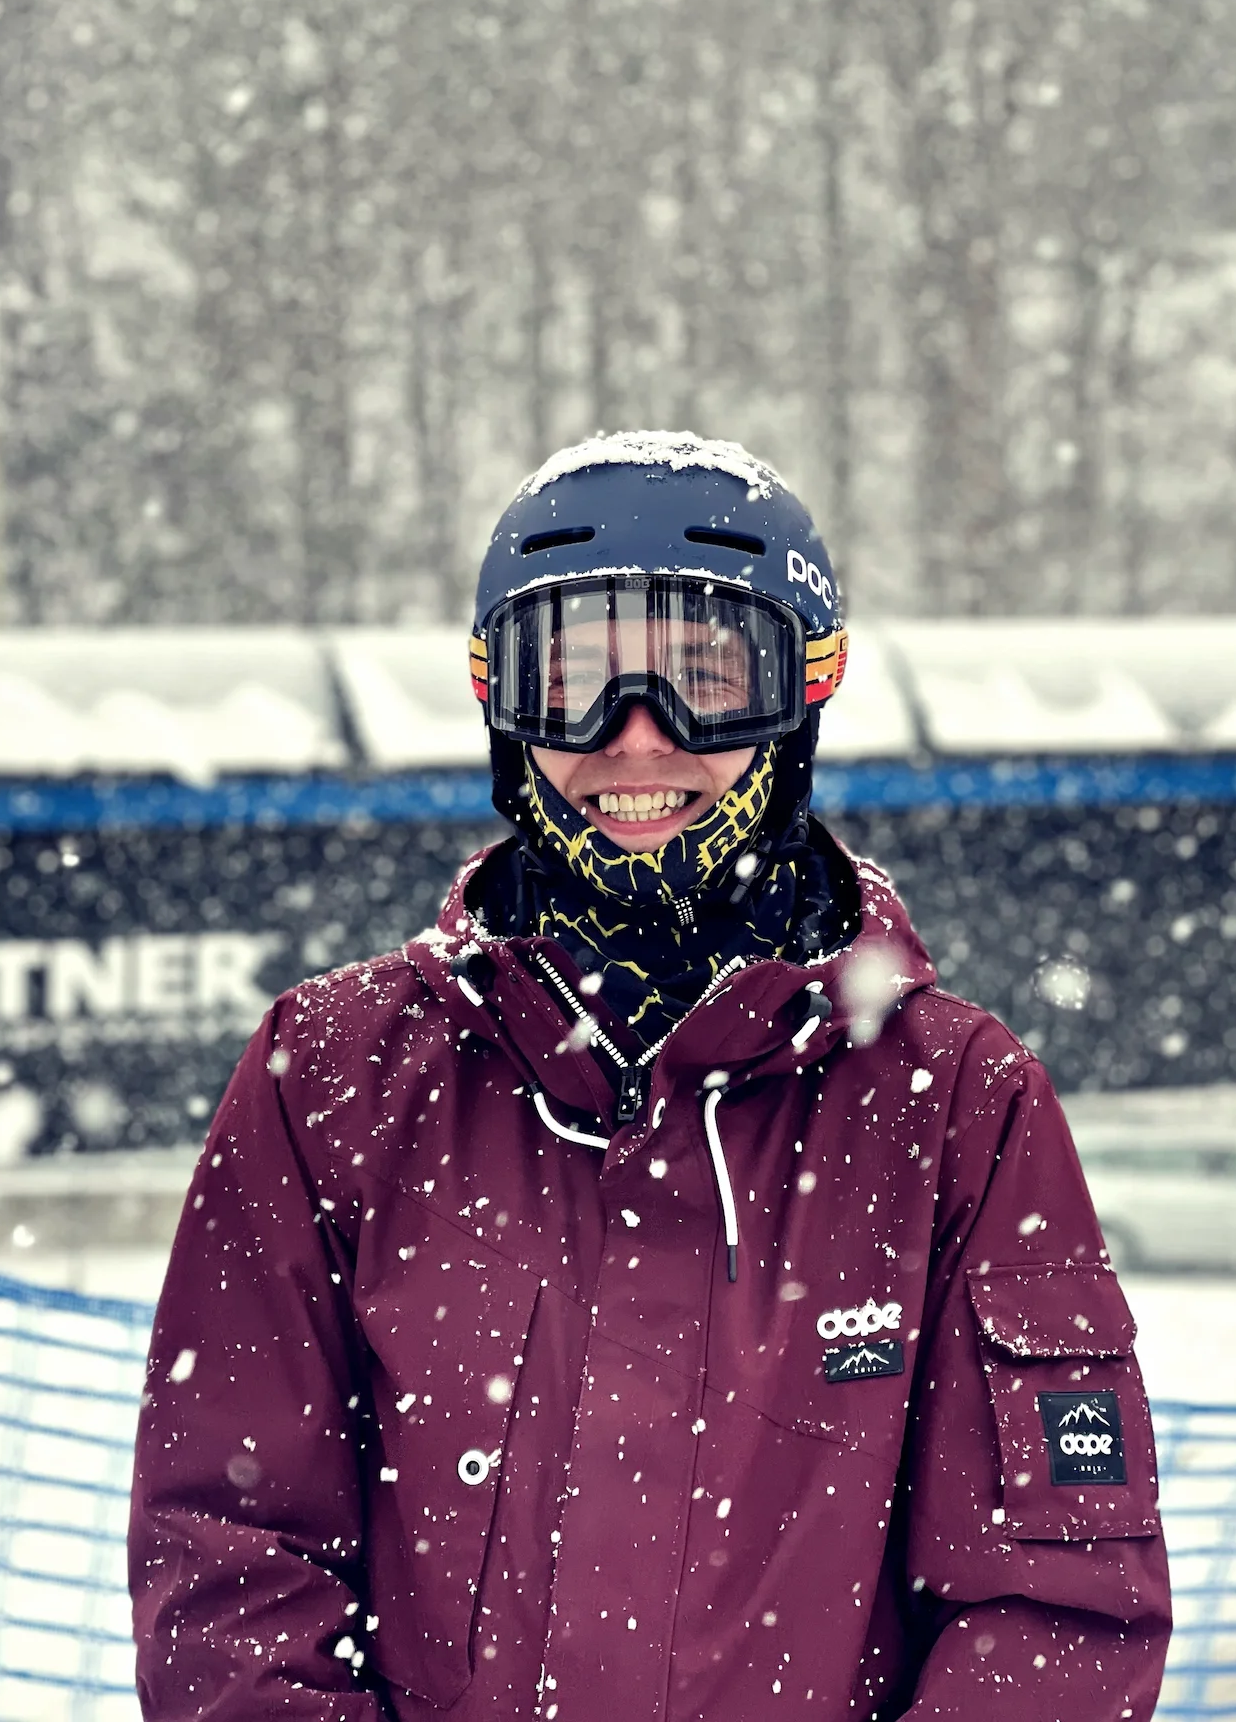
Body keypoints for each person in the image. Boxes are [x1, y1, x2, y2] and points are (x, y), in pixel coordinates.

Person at [129, 430, 1171, 1721]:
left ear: (801, 696)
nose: (637, 739)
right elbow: (232, 1572)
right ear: (502, 706)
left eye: (700, 674)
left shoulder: (954, 1107)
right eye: (575, 680)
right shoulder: (331, 1083)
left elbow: (1052, 1613)